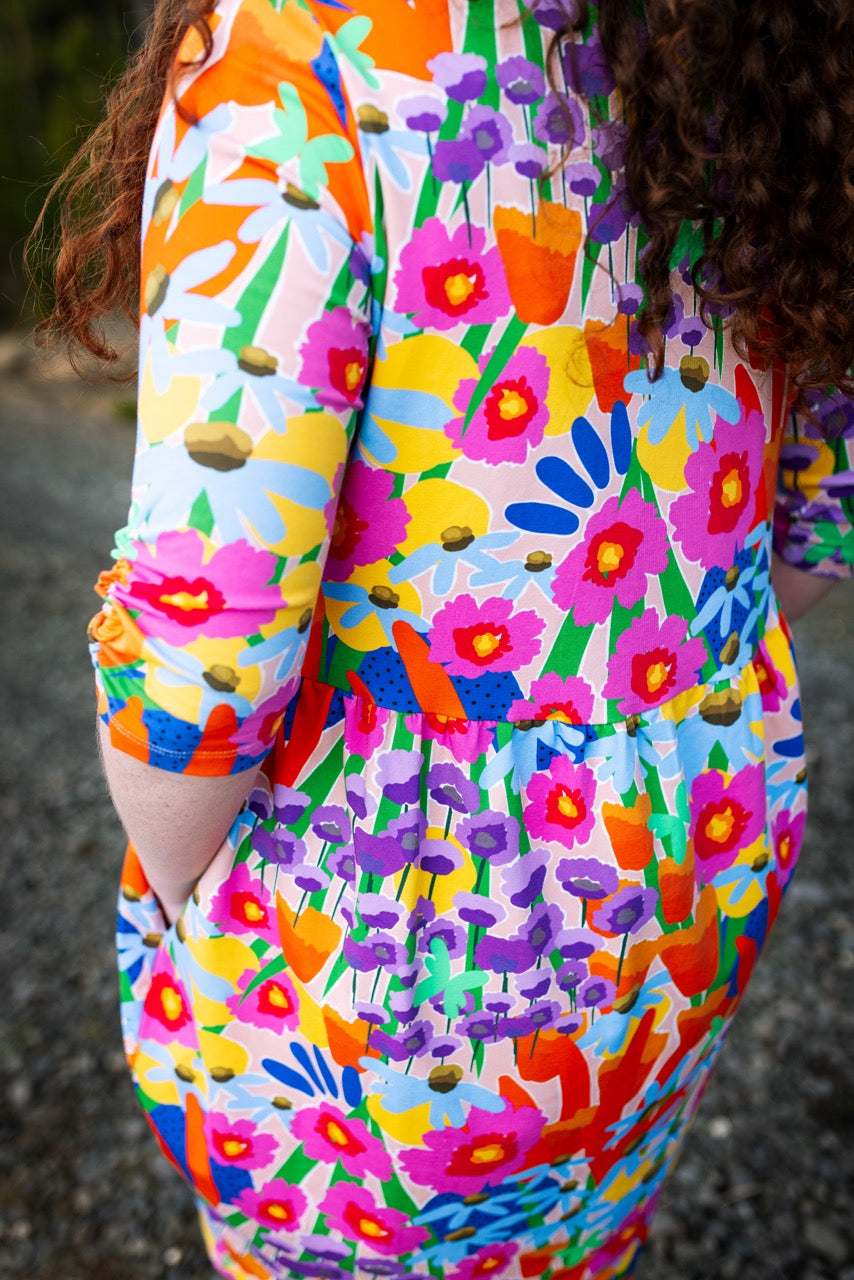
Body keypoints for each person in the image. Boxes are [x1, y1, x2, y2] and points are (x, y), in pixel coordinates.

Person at [39, 0, 853, 1276]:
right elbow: (811, 524)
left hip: (371, 934)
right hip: (683, 874)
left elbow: (203, 640)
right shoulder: (764, 49)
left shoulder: (296, 59)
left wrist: (200, 892)